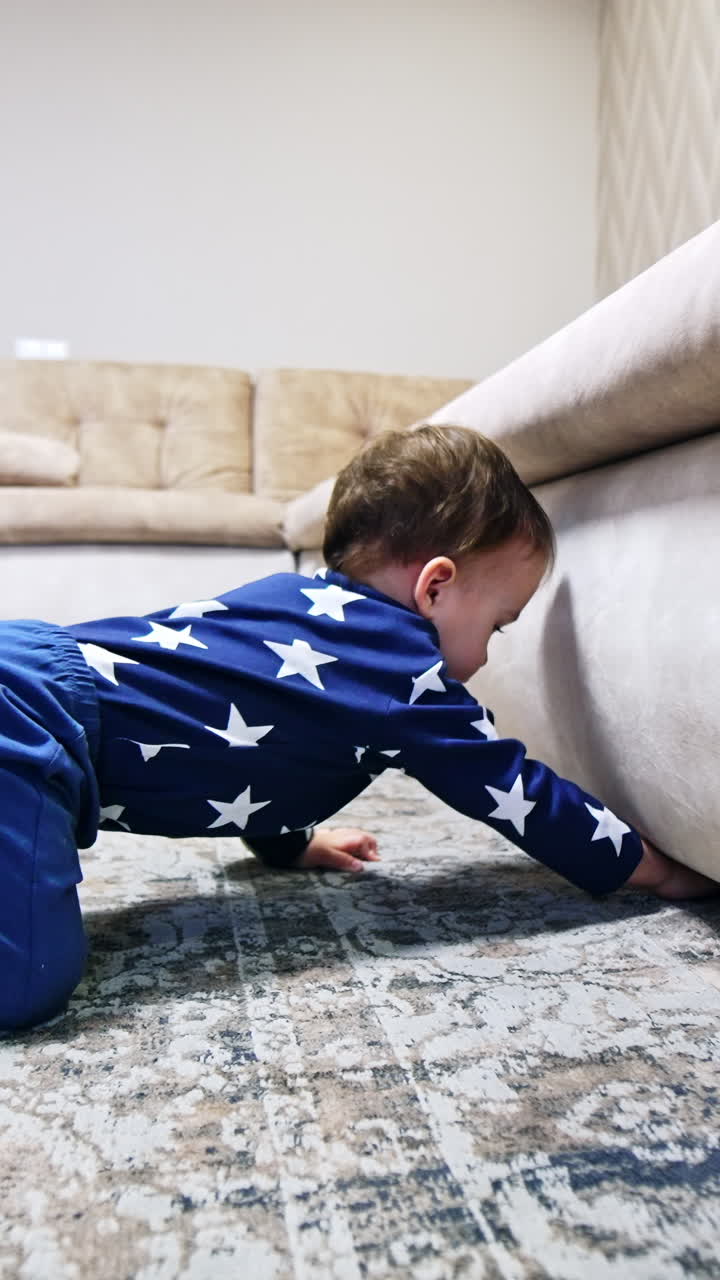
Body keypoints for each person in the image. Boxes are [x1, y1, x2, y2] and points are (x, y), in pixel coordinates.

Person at [1, 425, 716, 1033]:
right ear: (435, 587)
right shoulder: (400, 671)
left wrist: (291, 843)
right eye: (496, 625)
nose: (486, 654)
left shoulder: (292, 599)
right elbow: (513, 787)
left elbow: (243, 733)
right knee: (28, 982)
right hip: (32, 725)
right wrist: (652, 867)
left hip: (28, 673)